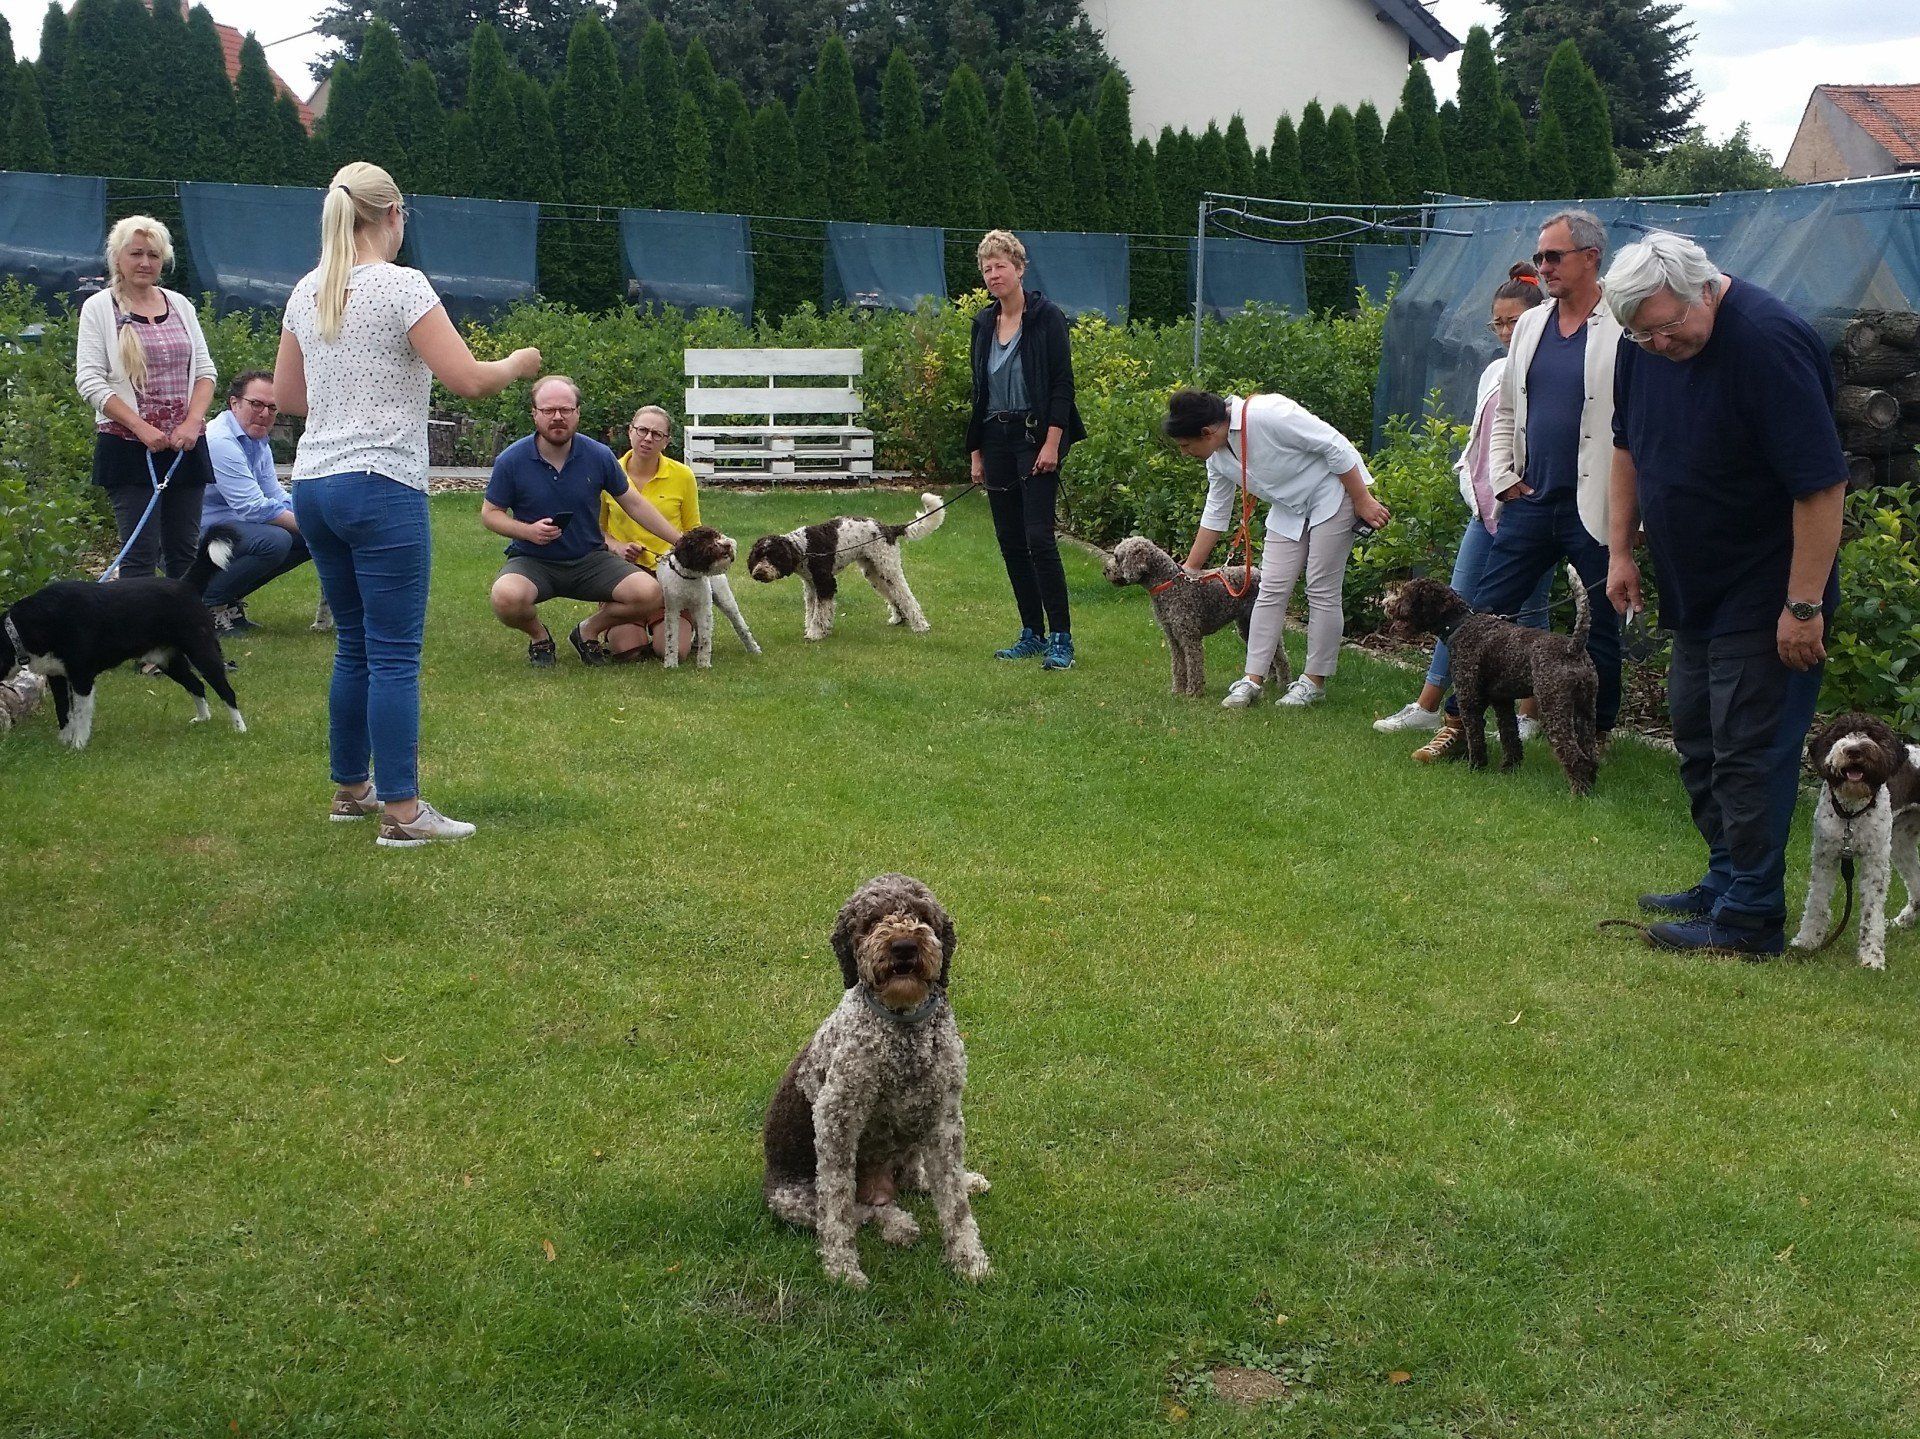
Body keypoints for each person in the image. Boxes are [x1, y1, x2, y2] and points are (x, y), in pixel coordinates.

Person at [275, 161, 542, 849]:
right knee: (394, 654)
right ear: (392, 216)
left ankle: (350, 789)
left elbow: (290, 399)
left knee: (354, 646)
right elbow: (469, 379)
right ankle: (402, 810)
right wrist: (518, 360)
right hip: (380, 482)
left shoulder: (307, 291)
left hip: (314, 483)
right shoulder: (401, 287)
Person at [1604, 231, 1847, 956]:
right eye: (1640, 333)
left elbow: (1821, 483)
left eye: (1666, 326)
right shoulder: (1638, 344)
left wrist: (1803, 606)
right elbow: (1626, 445)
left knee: (1749, 749)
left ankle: (1750, 919)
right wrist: (1621, 547)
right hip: (1693, 586)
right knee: (1700, 742)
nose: (1654, 344)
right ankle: (1724, 878)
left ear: (1704, 286)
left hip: (1767, 588)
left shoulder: (1769, 343)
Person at [1447, 209, 1625, 747]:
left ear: (1591, 258)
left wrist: (1631, 515)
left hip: (1593, 505)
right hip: (1531, 498)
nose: (1543, 266)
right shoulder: (1530, 325)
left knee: (1598, 623)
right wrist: (1501, 475)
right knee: (1484, 617)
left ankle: (1594, 733)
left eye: (1554, 256)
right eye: (1541, 255)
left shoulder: (1621, 323)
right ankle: (1461, 725)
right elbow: (1508, 413)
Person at [1374, 264, 1552, 759]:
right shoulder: (1495, 370)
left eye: (1512, 321)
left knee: (1531, 613)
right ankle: (1430, 705)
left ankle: (1529, 712)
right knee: (1457, 606)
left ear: (1540, 319)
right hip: (1486, 513)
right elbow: (1482, 441)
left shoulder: (1555, 369)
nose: (1503, 331)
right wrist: (1472, 486)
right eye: (1497, 322)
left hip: (1530, 515)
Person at [1166, 388, 1390, 709]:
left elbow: (1334, 444)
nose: (1185, 452)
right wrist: (1188, 571)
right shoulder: (1217, 455)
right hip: (1289, 505)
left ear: (1206, 431)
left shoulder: (1266, 413)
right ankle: (1252, 680)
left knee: (1321, 588)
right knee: (1270, 588)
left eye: (1186, 445)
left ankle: (1313, 682)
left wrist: (1362, 499)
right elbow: (1216, 512)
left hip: (1334, 491)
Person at [482, 377, 684, 667]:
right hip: (533, 560)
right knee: (505, 597)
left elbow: (635, 503)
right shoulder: (511, 460)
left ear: (577, 413)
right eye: (548, 410)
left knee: (649, 593)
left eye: (565, 410)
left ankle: (587, 631)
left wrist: (680, 540)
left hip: (590, 558)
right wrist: (527, 531)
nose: (557, 418)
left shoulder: (598, 455)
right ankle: (540, 639)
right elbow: (490, 515)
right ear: (534, 414)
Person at [965, 229, 1087, 671]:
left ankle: (1061, 638)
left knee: (1038, 537)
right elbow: (979, 391)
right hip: (994, 438)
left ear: (1019, 268)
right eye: (986, 268)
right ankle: (1031, 633)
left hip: (1036, 438)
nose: (994, 274)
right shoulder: (983, 324)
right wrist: (975, 451)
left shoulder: (1046, 317)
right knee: (1010, 540)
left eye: (1000, 265)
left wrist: (1053, 441)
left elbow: (1061, 386)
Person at [74, 215, 217, 580]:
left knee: (184, 552)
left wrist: (192, 422)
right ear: (117, 258)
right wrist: (140, 427)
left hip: (185, 446)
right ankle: (136, 635)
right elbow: (90, 381)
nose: (144, 263)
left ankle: (184, 632)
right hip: (128, 447)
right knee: (139, 553)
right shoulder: (99, 308)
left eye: (153, 255)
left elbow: (204, 372)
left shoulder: (181, 305)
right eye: (136, 254)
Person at [198, 369, 310, 631]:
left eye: (273, 407)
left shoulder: (256, 439)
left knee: (305, 539)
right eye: (256, 404)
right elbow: (253, 507)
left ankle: (228, 601)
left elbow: (274, 494)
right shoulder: (220, 440)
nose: (265, 413)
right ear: (234, 403)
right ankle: (207, 604)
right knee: (275, 540)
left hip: (228, 528)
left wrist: (313, 516)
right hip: (193, 535)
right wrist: (315, 527)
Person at [594, 403, 702, 660]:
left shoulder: (683, 476)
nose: (647, 438)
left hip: (669, 574)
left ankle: (683, 624)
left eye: (657, 434)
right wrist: (617, 546)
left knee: (674, 652)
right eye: (642, 430)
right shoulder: (607, 474)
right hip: (623, 575)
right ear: (630, 431)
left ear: (666, 441)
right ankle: (618, 623)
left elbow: (693, 530)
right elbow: (596, 531)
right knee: (629, 650)